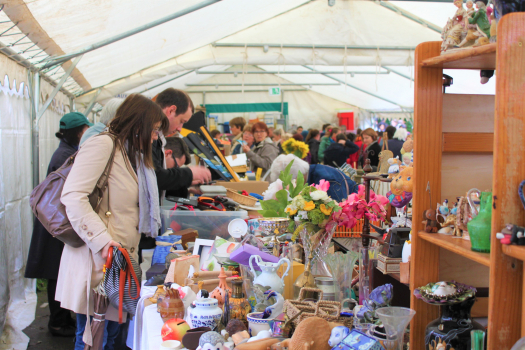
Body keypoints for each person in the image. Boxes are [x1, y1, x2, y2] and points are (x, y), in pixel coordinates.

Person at [56, 94, 168, 350]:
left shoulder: (129, 153)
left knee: (111, 336)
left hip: (119, 261)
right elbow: (73, 197)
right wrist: (103, 242)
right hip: (99, 259)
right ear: (138, 123)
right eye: (153, 130)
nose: (154, 137)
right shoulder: (102, 145)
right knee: (94, 337)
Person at [25, 112, 92, 337]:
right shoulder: (65, 155)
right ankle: (57, 322)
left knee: (56, 272)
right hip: (57, 221)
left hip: (55, 220)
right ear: (78, 131)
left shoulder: (65, 150)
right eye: (85, 130)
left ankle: (63, 319)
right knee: (55, 273)